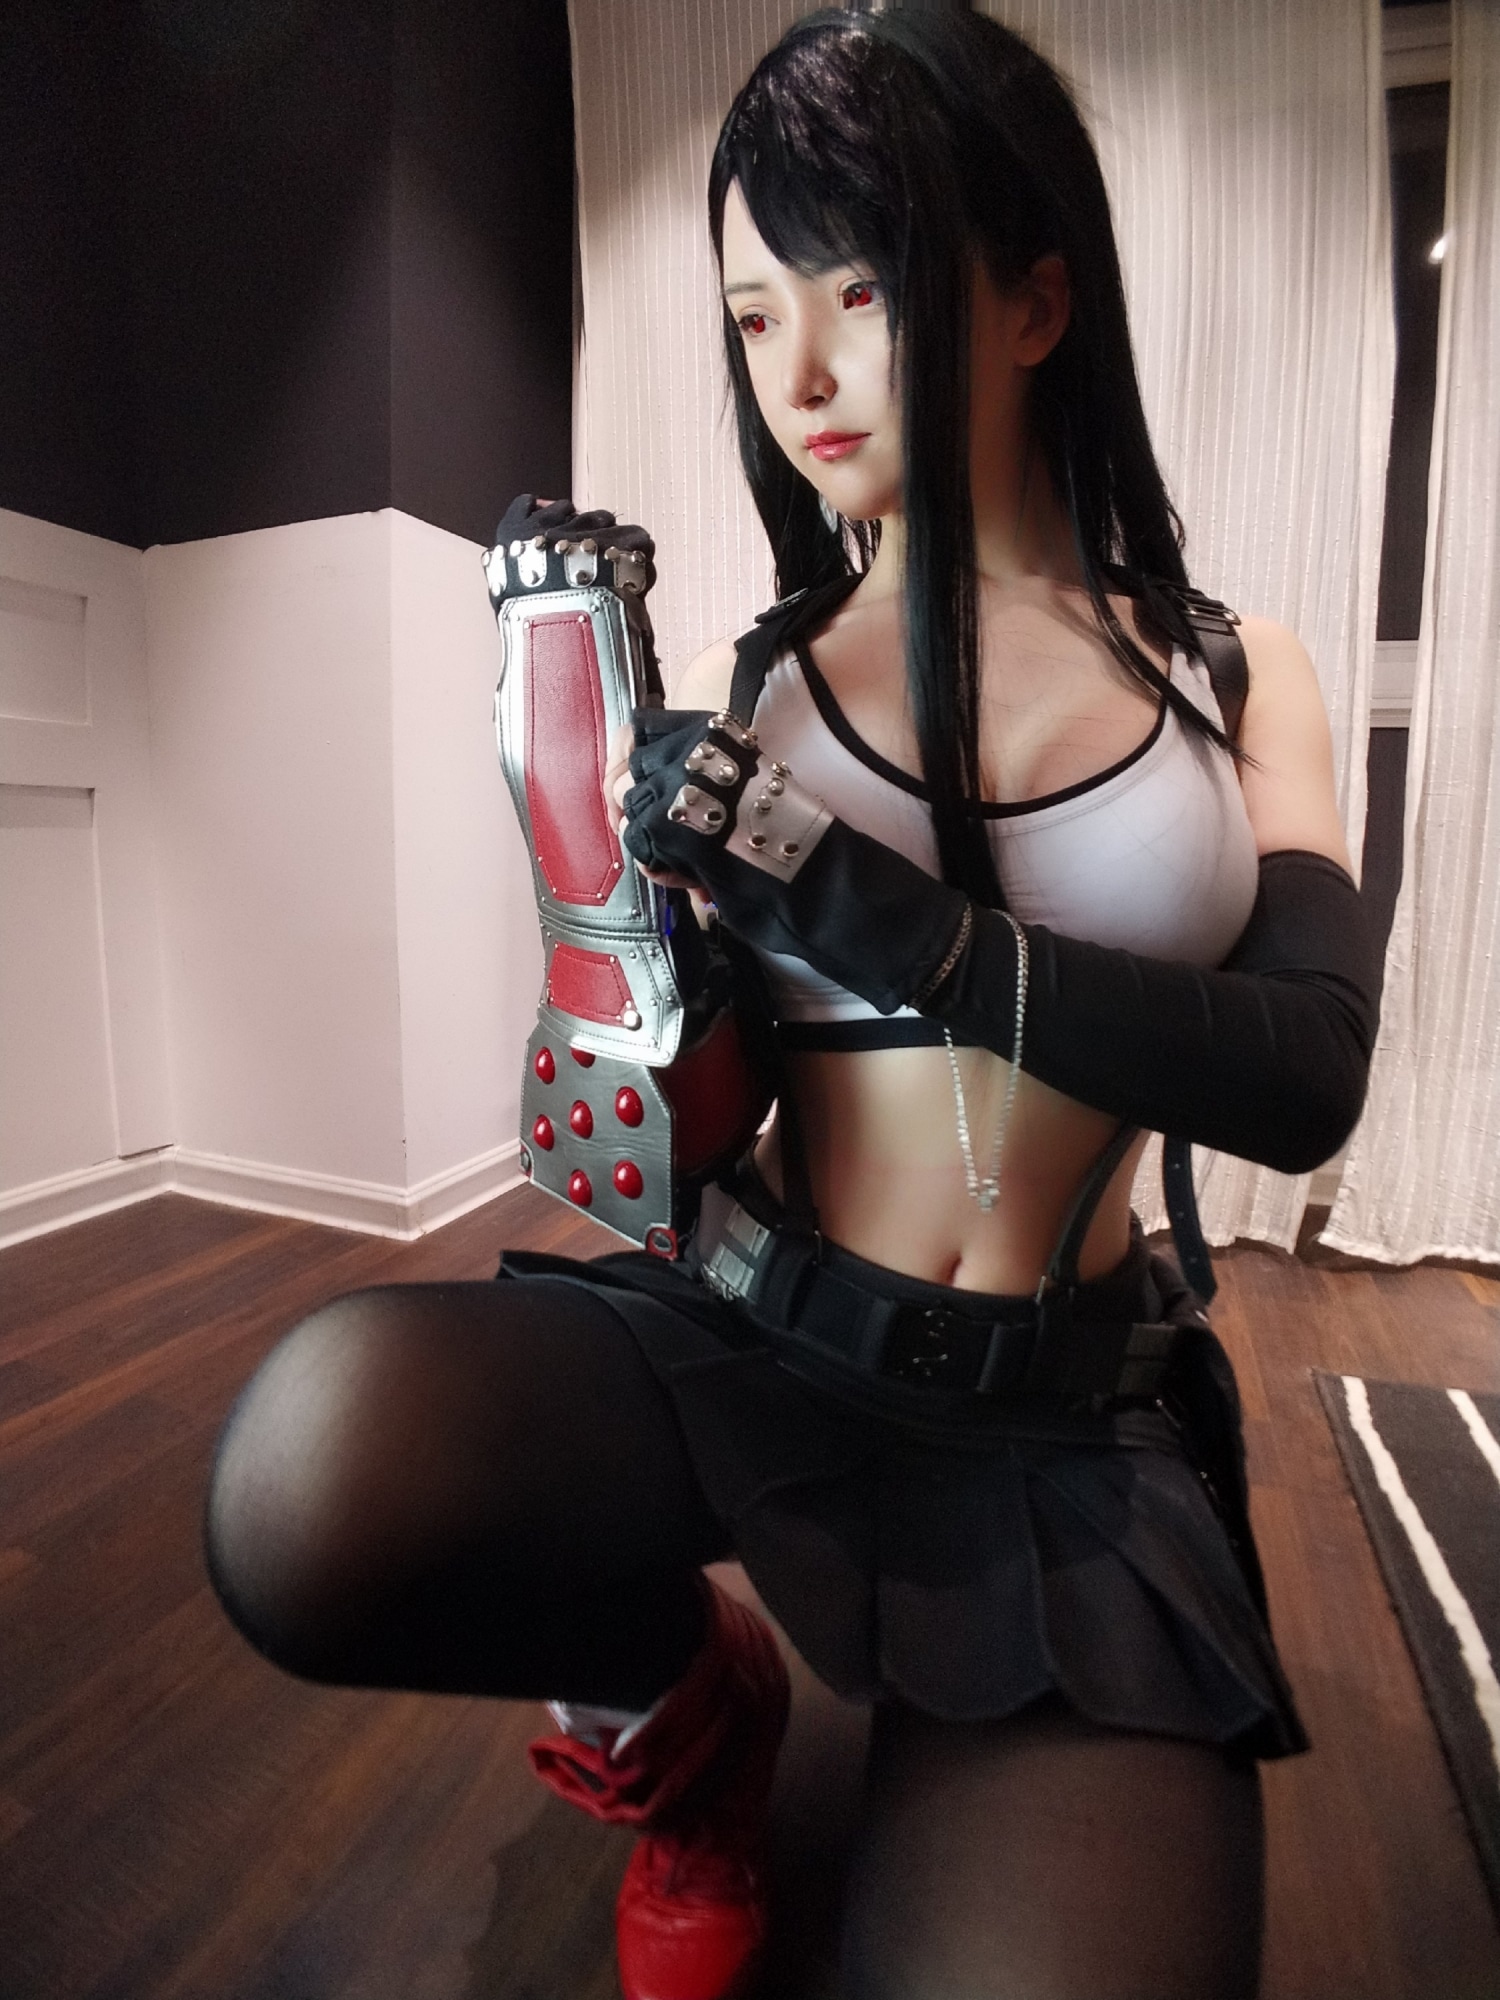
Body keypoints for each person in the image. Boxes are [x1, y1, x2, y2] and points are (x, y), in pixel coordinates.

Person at [203, 12, 1380, 1999]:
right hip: (769, 1326)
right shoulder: (763, 682)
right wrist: (617, 923)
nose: (802, 373)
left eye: (862, 291)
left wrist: (877, 912)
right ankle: (694, 1726)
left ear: (1036, 304)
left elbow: (1306, 1075)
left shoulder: (1237, 672)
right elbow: (714, 1099)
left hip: (1060, 1417)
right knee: (311, 1478)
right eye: (755, 316)